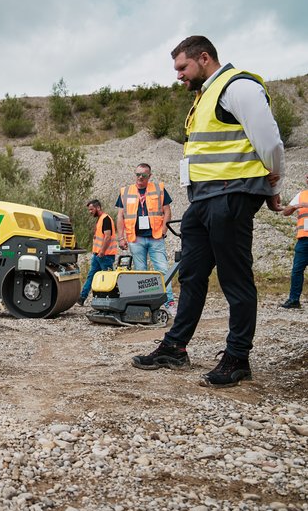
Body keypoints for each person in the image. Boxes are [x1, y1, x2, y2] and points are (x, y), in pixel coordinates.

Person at [132, 35, 285, 388]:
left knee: (235, 279)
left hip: (231, 196)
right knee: (192, 275)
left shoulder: (238, 87)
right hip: (203, 201)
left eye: (182, 67)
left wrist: (273, 190)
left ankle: (237, 358)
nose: (178, 76)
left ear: (204, 58)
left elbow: (271, 143)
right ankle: (174, 347)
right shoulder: (203, 99)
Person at [115, 163, 176, 315]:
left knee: (162, 270)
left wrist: (163, 230)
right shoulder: (126, 192)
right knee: (140, 273)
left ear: (150, 176)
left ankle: (169, 302)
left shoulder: (159, 189)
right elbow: (120, 216)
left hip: (155, 237)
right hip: (136, 239)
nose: (140, 177)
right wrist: (120, 238)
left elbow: (167, 211)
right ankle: (145, 303)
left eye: (143, 175)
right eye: (137, 174)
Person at [78, 199, 118, 306]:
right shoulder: (100, 219)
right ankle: (82, 297)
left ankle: (114, 299)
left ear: (98, 208)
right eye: (89, 210)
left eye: (91, 209)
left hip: (105, 255)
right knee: (91, 276)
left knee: (109, 279)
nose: (90, 211)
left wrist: (102, 251)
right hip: (98, 255)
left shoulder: (105, 219)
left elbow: (108, 237)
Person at [281, 173, 308, 309]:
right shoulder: (301, 195)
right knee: (297, 270)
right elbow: (285, 212)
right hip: (303, 240)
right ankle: (294, 300)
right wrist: (296, 206)